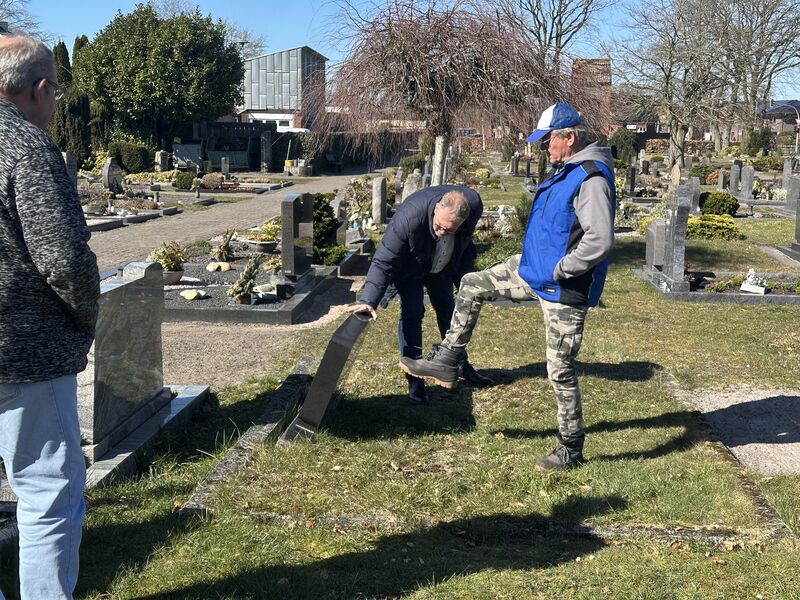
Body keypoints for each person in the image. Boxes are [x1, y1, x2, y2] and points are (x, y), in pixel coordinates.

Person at [399, 102, 616, 470]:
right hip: (531, 271)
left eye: (547, 140)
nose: (543, 147)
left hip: (564, 288)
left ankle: (570, 447)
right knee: (472, 284)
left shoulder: (590, 178)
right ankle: (448, 360)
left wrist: (562, 269)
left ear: (569, 137)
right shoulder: (564, 171)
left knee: (559, 370)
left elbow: (600, 239)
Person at [0, 33, 100, 598]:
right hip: (23, 352)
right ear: (38, 89)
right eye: (56, 92)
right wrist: (85, 319)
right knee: (46, 491)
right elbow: (64, 259)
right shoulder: (26, 147)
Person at [346, 184, 492, 403]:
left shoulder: (473, 205)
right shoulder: (408, 218)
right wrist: (368, 300)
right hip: (410, 266)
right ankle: (415, 378)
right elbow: (384, 261)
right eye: (439, 227)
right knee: (413, 312)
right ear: (436, 209)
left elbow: (465, 242)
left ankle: (459, 364)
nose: (442, 233)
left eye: (449, 230)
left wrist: (464, 274)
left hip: (441, 266)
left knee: (449, 311)